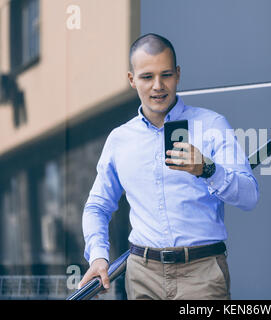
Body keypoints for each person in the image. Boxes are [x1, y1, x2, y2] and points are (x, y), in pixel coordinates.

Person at [78, 33, 259, 300]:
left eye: (166, 75)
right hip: (142, 275)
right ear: (132, 80)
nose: (158, 86)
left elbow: (249, 196)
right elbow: (97, 205)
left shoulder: (211, 125)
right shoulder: (119, 139)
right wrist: (97, 256)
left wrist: (207, 169)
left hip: (202, 273)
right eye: (147, 77)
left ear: (178, 74)